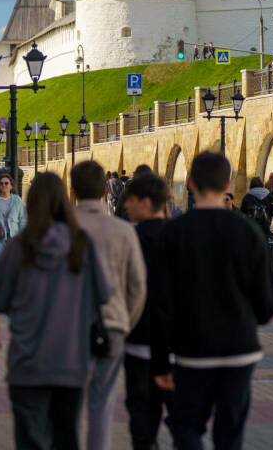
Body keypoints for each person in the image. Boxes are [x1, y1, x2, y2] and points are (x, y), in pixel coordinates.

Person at [156, 151, 273, 450]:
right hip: (239, 349)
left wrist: (161, 362)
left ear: (190, 183)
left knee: (185, 425)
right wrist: (251, 319)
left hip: (192, 350)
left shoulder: (173, 233)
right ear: (227, 184)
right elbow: (268, 299)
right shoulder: (248, 232)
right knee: (230, 433)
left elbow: (160, 304)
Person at [0, 171, 109, 450]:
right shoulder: (81, 245)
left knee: (31, 440)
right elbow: (103, 294)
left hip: (28, 363)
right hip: (71, 361)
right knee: (66, 436)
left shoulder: (20, 247)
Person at [71, 161, 146, 450]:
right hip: (112, 327)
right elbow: (138, 286)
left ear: (74, 191)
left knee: (70, 407)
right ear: (105, 191)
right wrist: (126, 320)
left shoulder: (59, 228)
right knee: (101, 407)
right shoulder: (123, 231)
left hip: (68, 330)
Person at [120, 172, 176, 450]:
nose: (125, 206)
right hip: (177, 346)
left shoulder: (129, 239)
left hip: (138, 343)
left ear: (144, 202)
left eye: (129, 201)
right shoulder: (179, 237)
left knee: (141, 417)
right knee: (182, 423)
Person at [0, 169, 27, 258]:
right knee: (0, 261)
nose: (3, 185)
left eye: (6, 183)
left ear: (11, 186)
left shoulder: (17, 201)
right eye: (1, 183)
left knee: (13, 261)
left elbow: (22, 219)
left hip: (14, 236)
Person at [240, 177, 273, 241]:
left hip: (252, 223)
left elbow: (242, 210)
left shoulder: (247, 196)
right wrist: (270, 215)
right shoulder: (268, 195)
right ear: (261, 183)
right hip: (265, 222)